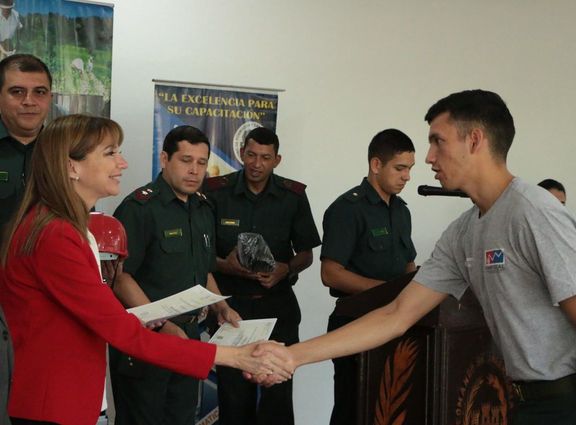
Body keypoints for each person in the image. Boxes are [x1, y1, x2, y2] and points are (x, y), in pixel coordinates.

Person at [254, 90, 576, 425]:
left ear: (475, 141)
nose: (429, 157)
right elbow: (396, 314)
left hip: (568, 399)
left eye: (438, 141)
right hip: (520, 397)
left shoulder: (535, 213)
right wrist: (292, 356)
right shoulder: (465, 231)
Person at [0, 115, 290, 425]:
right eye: (110, 152)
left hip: (70, 397)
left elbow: (101, 315)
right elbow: (119, 328)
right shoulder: (55, 234)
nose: (122, 163)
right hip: (54, 404)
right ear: (72, 166)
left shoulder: (69, 227)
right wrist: (235, 356)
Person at [109, 125, 242, 425]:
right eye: (185, 160)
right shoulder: (139, 208)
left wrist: (221, 306)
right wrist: (161, 325)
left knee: (182, 419)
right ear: (164, 159)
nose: (194, 170)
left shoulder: (203, 208)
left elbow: (204, 270)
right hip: (147, 338)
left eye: (201, 162)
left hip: (189, 337)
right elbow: (120, 278)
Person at [204, 126, 321, 425]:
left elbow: (306, 253)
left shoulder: (292, 196)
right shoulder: (216, 192)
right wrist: (226, 265)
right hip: (231, 309)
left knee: (278, 396)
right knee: (233, 396)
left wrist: (286, 269)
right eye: (252, 155)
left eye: (265, 158)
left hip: (277, 306)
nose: (257, 164)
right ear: (242, 154)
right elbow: (199, 256)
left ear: (277, 160)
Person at [320, 128, 417, 425]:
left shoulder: (401, 211)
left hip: (394, 322)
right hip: (354, 321)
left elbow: (408, 264)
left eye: (410, 169)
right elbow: (331, 274)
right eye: (400, 168)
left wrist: (415, 290)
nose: (407, 177)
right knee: (353, 409)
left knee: (390, 408)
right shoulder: (347, 209)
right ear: (376, 165)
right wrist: (386, 291)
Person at [0, 53, 51, 239]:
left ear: (50, 97)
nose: (29, 101)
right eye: (17, 91)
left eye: (40, 92)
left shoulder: (66, 153)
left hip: (49, 265)